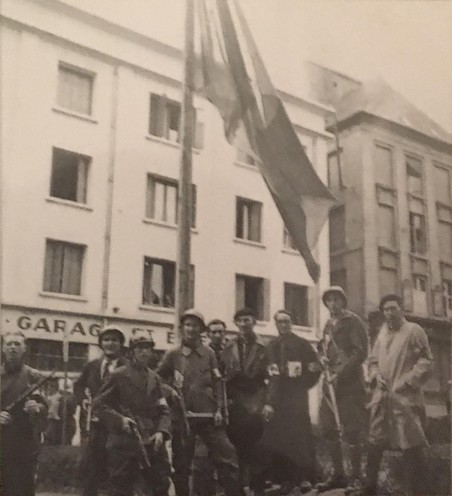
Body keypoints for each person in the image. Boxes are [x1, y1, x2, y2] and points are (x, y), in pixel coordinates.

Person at [157, 309, 241, 496]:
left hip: (209, 416)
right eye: (188, 325)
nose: (191, 329)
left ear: (201, 329)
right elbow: (157, 380)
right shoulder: (173, 354)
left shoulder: (209, 353)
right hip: (183, 418)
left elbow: (218, 382)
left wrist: (219, 409)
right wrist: (170, 392)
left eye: (195, 325)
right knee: (182, 464)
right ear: (182, 328)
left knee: (228, 457)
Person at [363, 294, 433, 496]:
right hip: (382, 398)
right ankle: (368, 488)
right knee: (374, 442)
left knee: (410, 445)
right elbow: (373, 361)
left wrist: (407, 382)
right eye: (386, 310)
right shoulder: (382, 332)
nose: (389, 313)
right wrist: (375, 375)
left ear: (402, 309)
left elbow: (426, 361)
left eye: (393, 308)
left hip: (405, 399)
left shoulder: (414, 330)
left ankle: (415, 491)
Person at [95, 329, 171, 496]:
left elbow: (163, 409)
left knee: (160, 485)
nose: (144, 352)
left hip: (152, 440)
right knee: (121, 488)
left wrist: (161, 431)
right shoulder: (119, 375)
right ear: (131, 351)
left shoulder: (154, 378)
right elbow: (99, 405)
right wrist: (120, 421)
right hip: (124, 441)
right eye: (140, 348)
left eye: (148, 348)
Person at [261, 310, 321, 495]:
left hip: (297, 396)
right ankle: (283, 478)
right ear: (276, 324)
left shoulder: (302, 344)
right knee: (280, 436)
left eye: (287, 321)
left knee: (300, 434)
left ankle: (304, 477)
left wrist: (303, 384)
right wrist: (269, 399)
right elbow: (268, 371)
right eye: (280, 322)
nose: (284, 325)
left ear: (291, 323)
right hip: (278, 397)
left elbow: (315, 368)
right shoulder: (271, 345)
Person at [316, 286, 368, 492]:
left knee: (351, 430)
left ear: (343, 301)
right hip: (330, 386)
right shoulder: (328, 324)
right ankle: (338, 475)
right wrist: (321, 357)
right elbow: (323, 347)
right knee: (329, 429)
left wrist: (340, 373)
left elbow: (359, 352)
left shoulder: (353, 321)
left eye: (336, 300)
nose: (332, 304)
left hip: (350, 385)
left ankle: (355, 477)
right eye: (329, 300)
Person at [74, 325, 129, 496]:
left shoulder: (128, 367)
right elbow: (78, 386)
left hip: (118, 425)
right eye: (106, 340)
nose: (110, 344)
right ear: (100, 343)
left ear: (121, 344)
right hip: (96, 424)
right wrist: (83, 399)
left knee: (117, 469)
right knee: (92, 466)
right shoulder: (92, 366)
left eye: (114, 340)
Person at [220, 308, 269, 496]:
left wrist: (268, 403)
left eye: (247, 320)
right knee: (237, 449)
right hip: (235, 404)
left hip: (256, 402)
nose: (243, 324)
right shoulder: (228, 347)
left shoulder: (264, 346)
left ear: (254, 322)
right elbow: (222, 376)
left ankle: (259, 489)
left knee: (257, 449)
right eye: (239, 321)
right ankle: (239, 489)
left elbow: (272, 378)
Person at [0, 331, 48, 496]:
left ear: (24, 348)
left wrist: (37, 408)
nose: (13, 347)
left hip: (23, 441)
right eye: (9, 344)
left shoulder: (33, 376)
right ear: (3, 348)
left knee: (22, 487)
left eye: (17, 344)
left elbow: (45, 407)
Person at [45, 378, 62, 445]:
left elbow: (52, 411)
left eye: (49, 386)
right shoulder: (49, 397)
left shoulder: (58, 397)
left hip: (54, 421)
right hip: (48, 421)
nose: (48, 388)